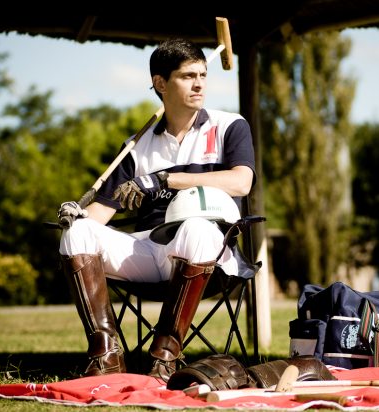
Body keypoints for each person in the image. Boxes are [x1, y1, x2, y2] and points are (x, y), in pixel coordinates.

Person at [57, 38, 256, 381]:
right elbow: (100, 216)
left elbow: (242, 183)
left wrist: (165, 180)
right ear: (161, 84)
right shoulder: (137, 146)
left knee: (196, 228)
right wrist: (75, 213)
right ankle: (106, 355)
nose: (199, 84)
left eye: (203, 75)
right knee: (77, 232)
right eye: (187, 76)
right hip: (149, 249)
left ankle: (164, 357)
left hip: (209, 253)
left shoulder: (229, 126)